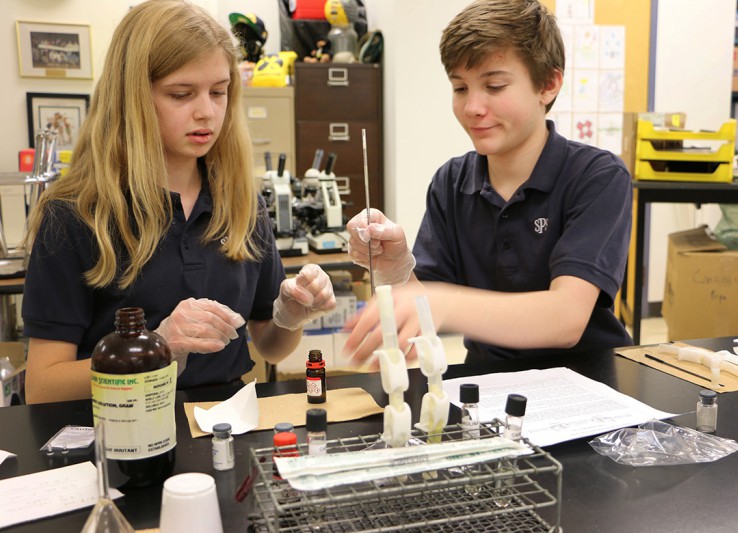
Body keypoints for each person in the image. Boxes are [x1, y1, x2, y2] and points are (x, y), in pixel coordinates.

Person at [22, 0, 336, 404]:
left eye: (219, 92)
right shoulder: (75, 214)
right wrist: (156, 347)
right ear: (132, 98)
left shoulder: (240, 202)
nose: (206, 112)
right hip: (122, 427)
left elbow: (269, 346)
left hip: (224, 420)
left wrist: (290, 315)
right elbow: (43, 387)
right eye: (181, 94)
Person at [344, 0, 632, 366]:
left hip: (590, 381)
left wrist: (444, 301)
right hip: (488, 384)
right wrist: (396, 266)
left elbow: (565, 319)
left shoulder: (597, 177)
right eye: (460, 88)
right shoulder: (451, 182)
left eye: (494, 86)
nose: (472, 107)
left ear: (548, 84)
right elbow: (423, 315)